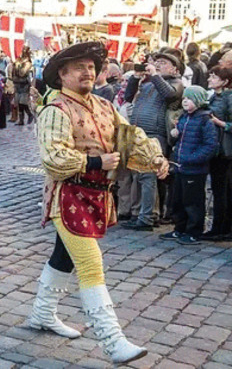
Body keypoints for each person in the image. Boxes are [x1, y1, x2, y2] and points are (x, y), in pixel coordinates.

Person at [31, 42, 168, 364]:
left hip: (98, 196)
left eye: (91, 67)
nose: (88, 72)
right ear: (62, 75)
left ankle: (42, 314)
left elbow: (130, 136)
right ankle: (112, 341)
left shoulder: (105, 107)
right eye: (79, 67)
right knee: (90, 264)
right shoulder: (56, 110)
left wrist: (155, 157)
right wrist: (95, 162)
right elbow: (53, 158)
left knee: (62, 258)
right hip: (68, 196)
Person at [122, 52, 184, 230]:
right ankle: (141, 213)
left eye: (163, 63)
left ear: (175, 69)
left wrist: (155, 75)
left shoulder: (176, 83)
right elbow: (128, 96)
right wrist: (135, 78)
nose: (157, 65)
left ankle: (147, 217)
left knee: (149, 176)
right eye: (156, 62)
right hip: (139, 133)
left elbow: (170, 96)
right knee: (138, 176)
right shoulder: (149, 84)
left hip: (155, 135)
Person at [159, 86, 217, 245]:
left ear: (198, 101)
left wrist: (191, 158)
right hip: (180, 167)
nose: (185, 101)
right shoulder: (184, 117)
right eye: (184, 98)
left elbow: (210, 146)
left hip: (195, 169)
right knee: (178, 200)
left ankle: (194, 231)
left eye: (189, 99)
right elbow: (180, 138)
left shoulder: (205, 120)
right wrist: (175, 133)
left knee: (193, 202)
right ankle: (180, 228)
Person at [204, 64, 232, 241]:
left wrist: (218, 122)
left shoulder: (229, 98)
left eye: (214, 77)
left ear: (225, 81)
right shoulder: (214, 97)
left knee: (225, 191)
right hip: (216, 150)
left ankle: (225, 228)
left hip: (226, 151)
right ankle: (217, 227)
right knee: (217, 189)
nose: (209, 79)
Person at [11, 46, 34, 125]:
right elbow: (13, 73)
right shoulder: (17, 62)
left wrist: (19, 65)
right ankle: (21, 120)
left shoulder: (28, 63)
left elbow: (22, 73)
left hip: (24, 85)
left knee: (22, 102)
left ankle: (30, 115)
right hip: (17, 84)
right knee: (18, 102)